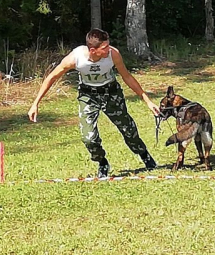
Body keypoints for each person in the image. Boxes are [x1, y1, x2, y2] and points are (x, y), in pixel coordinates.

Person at [28, 29, 160, 178]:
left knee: (128, 129)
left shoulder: (113, 54)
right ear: (93, 50)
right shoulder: (75, 58)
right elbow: (52, 77)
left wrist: (147, 100)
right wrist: (35, 103)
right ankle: (102, 162)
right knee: (88, 138)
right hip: (88, 95)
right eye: (104, 48)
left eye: (108, 46)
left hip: (111, 93)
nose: (108, 50)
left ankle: (144, 155)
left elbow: (127, 77)